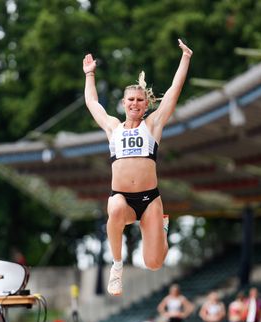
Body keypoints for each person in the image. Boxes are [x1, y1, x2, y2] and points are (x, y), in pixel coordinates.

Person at [83, 39, 193, 296]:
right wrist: (90, 74)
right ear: (123, 103)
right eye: (130, 99)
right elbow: (92, 103)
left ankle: (161, 231)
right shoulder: (113, 128)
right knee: (116, 207)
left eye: (139, 100)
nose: (134, 103)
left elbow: (174, 91)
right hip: (121, 197)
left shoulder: (152, 126)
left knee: (154, 264)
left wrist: (185, 57)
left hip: (149, 200)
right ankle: (117, 267)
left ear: (146, 105)